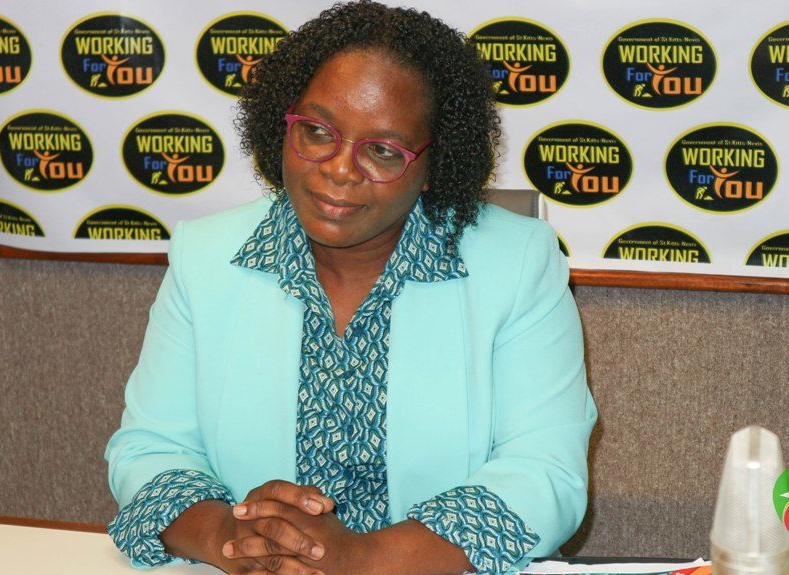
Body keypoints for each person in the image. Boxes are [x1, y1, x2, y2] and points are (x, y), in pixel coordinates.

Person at [105, 2, 596, 574]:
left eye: (383, 150)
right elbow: (149, 450)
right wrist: (232, 541)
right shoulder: (205, 257)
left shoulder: (518, 264)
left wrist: (361, 559)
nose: (339, 169)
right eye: (318, 132)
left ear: (434, 165)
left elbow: (546, 474)